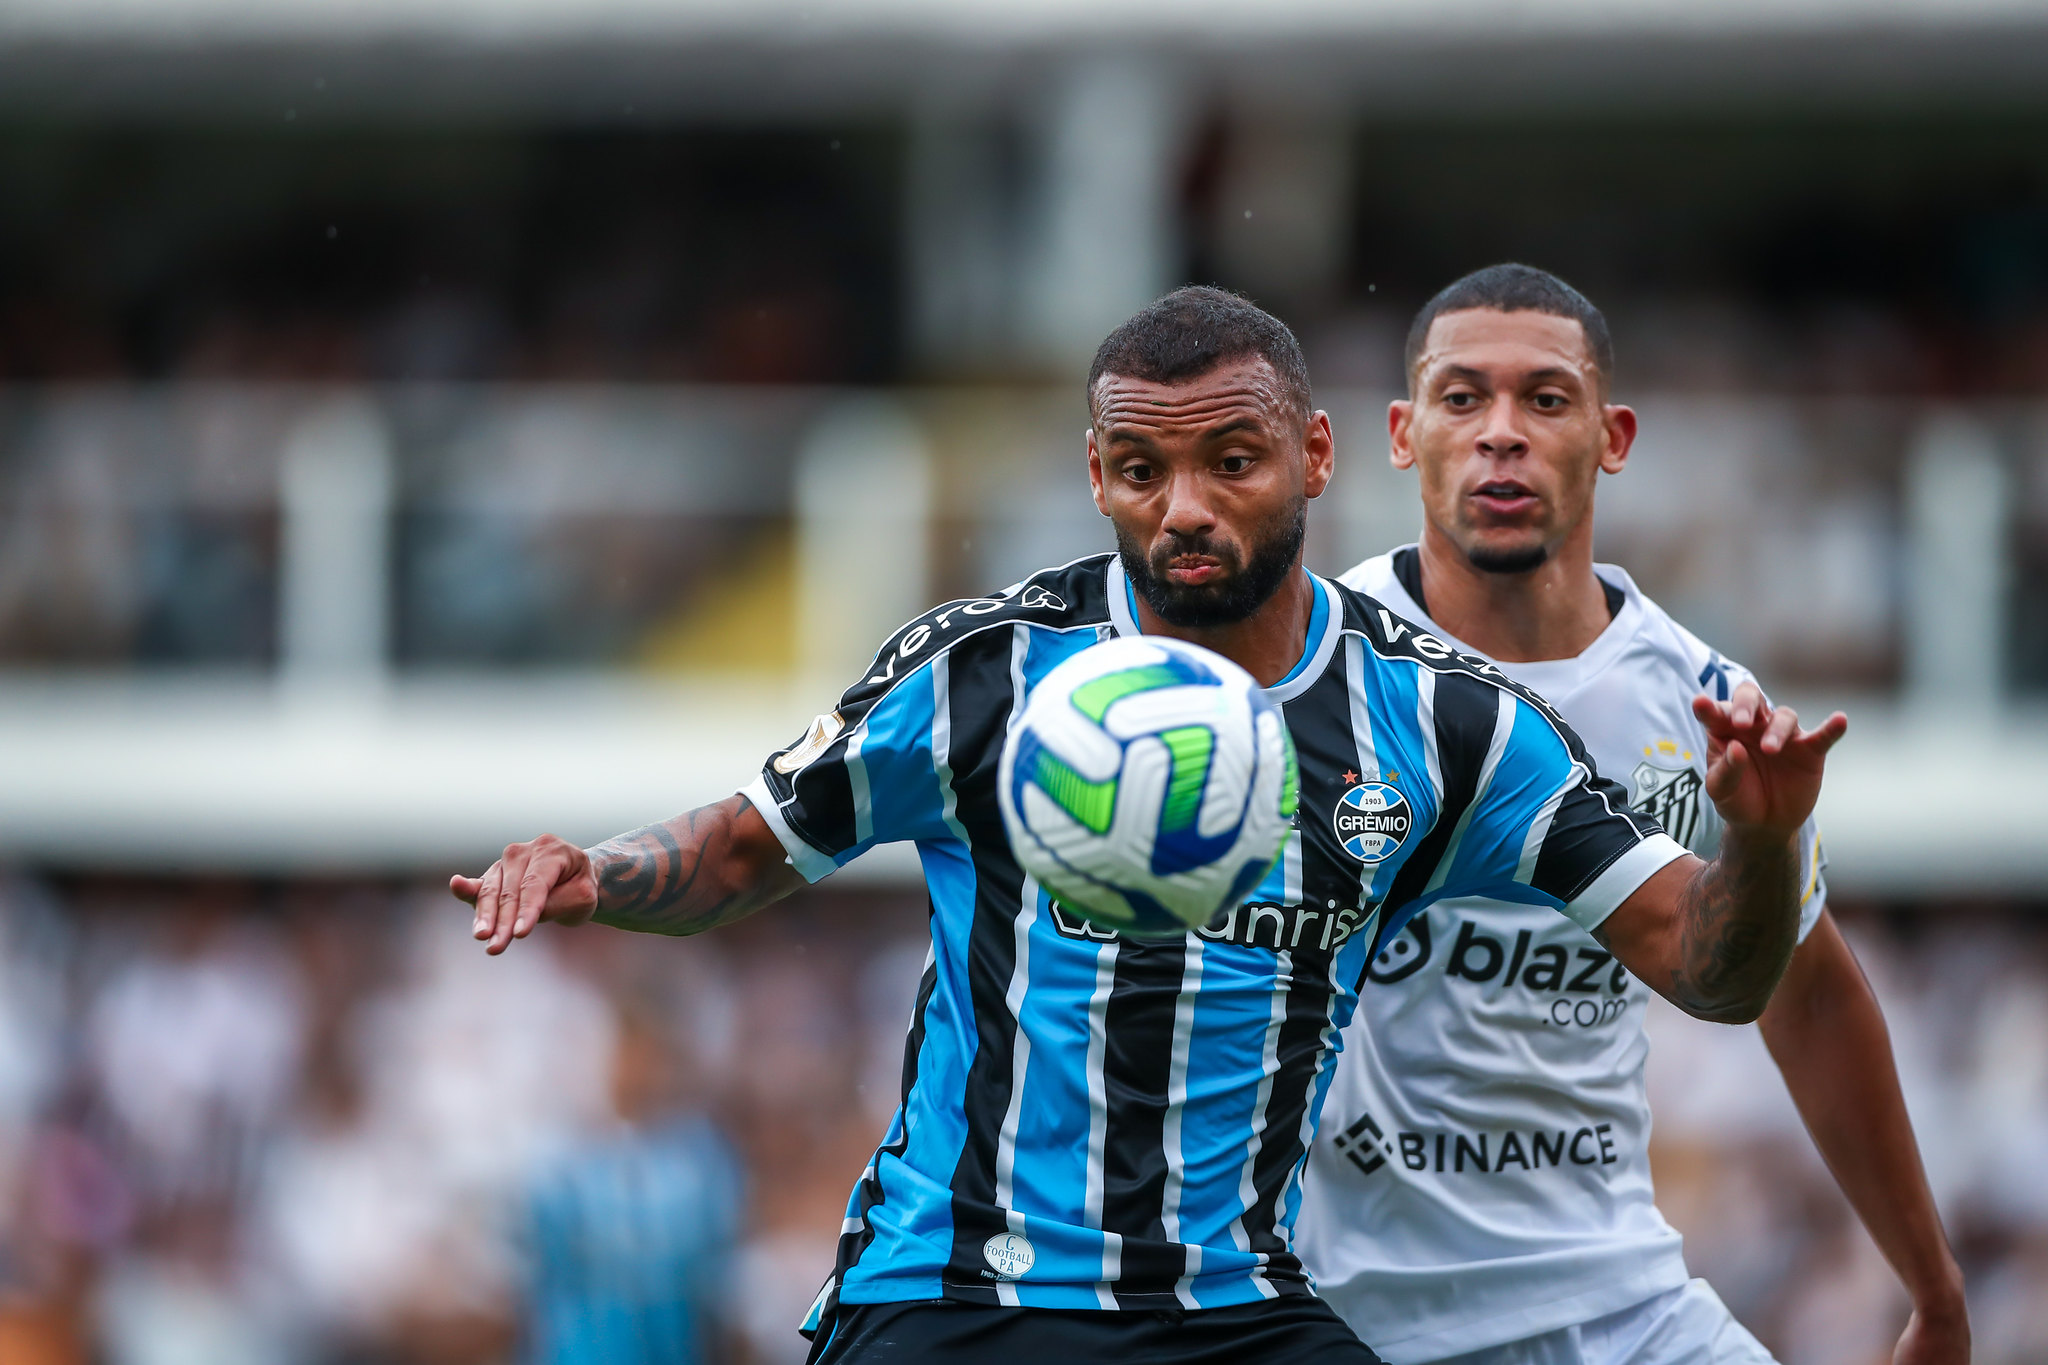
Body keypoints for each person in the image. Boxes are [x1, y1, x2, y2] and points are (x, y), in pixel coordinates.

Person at [453, 286, 1845, 1365]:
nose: (1182, 509)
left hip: (1235, 1308)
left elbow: (1710, 974)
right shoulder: (984, 674)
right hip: (957, 1292)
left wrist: (1768, 845)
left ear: (1312, 456)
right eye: (1137, 470)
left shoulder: (1445, 729)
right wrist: (600, 872)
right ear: (1098, 471)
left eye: (1231, 462)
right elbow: (749, 847)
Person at [1295, 265, 1966, 1365]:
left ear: (1611, 437)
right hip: (1340, 1320)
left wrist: (1931, 1291)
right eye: (1460, 398)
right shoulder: (1308, 669)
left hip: (1614, 1308)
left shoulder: (1697, 701)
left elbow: (1807, 1000)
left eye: (1543, 399)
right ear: (1401, 432)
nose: (1499, 433)